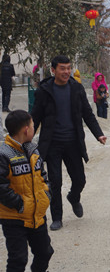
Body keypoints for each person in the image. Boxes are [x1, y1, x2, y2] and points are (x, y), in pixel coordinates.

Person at [31, 55, 106, 231]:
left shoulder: (76, 88)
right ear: (53, 70)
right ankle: (57, 217)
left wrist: (99, 134)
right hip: (52, 143)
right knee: (55, 182)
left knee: (80, 179)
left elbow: (87, 113)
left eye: (68, 68)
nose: (66, 71)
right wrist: (25, 140)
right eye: (62, 68)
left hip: (73, 142)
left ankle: (73, 197)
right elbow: (35, 117)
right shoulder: (44, 91)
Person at [0, 110, 54, 272]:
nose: (34, 128)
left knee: (45, 253)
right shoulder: (4, 154)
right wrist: (20, 204)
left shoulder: (33, 150)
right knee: (18, 259)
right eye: (32, 125)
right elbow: (1, 187)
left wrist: (46, 194)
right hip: (15, 218)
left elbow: (42, 175)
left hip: (37, 214)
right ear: (26, 129)